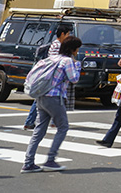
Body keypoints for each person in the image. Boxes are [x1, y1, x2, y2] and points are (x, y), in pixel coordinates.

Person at [22, 35, 82, 173]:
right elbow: (74, 79)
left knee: (39, 130)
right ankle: (50, 159)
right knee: (63, 127)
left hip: (41, 96)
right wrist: (77, 64)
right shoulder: (67, 61)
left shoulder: (51, 58)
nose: (78, 51)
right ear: (73, 49)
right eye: (77, 49)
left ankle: (28, 162)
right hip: (55, 97)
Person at [24, 26, 72, 130]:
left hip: (52, 76)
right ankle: (30, 121)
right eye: (68, 34)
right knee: (41, 98)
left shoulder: (58, 44)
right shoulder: (57, 45)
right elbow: (56, 61)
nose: (69, 36)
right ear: (62, 34)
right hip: (51, 76)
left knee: (43, 98)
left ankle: (50, 121)